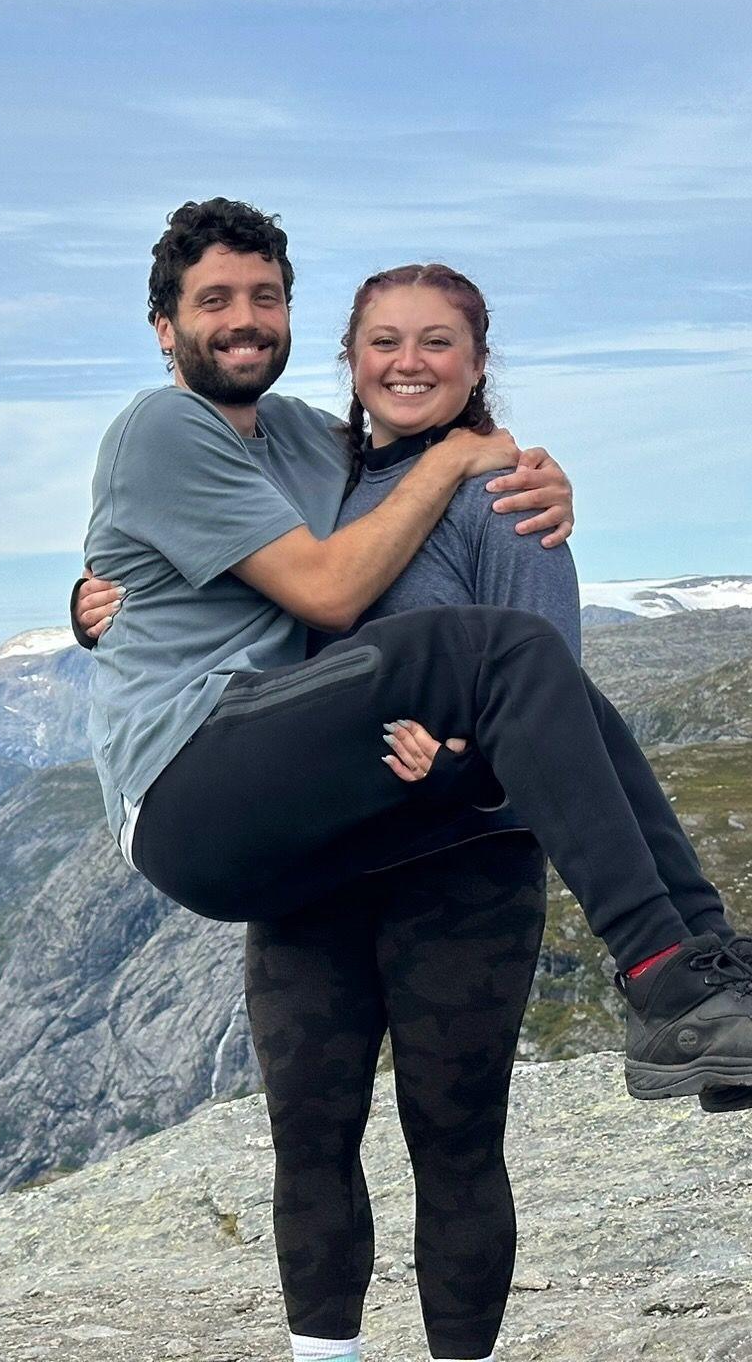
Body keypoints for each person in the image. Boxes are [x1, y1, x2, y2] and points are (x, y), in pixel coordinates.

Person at [77, 197, 752, 1124]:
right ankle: (663, 979)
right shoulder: (164, 422)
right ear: (165, 327)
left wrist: (528, 472)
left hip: (295, 788)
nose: (243, 318)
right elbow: (326, 593)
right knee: (504, 648)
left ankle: (707, 966)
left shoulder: (311, 439)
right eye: (214, 299)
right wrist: (463, 458)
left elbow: (402, 449)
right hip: (190, 779)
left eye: (265, 296)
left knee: (573, 692)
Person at [78, 261, 594, 1362]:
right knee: (308, 1140)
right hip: (319, 854)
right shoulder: (317, 469)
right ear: (351, 364)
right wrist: (90, 598)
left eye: (438, 342)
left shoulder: (507, 498)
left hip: (465, 860)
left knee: (454, 1142)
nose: (410, 363)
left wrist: (459, 767)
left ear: (478, 362)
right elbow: (197, 578)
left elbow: (548, 694)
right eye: (386, 343)